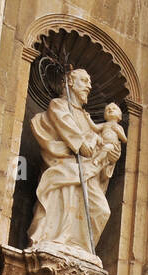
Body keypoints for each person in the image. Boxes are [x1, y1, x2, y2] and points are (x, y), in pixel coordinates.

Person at [28, 68, 124, 260]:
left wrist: (109, 158)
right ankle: (56, 240)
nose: (89, 86)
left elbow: (97, 147)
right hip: (64, 167)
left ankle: (82, 249)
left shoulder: (87, 118)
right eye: (84, 81)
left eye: (89, 82)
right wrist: (83, 144)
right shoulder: (59, 105)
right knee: (65, 203)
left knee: (101, 211)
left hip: (87, 173)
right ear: (70, 83)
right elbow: (69, 130)